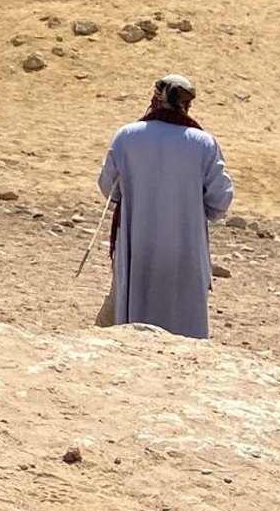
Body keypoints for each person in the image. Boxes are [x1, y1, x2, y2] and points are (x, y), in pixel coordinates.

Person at [98, 74, 233, 339]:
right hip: (186, 252)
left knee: (133, 327)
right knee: (185, 331)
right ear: (187, 105)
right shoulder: (203, 143)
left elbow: (108, 187)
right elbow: (220, 200)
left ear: (155, 99)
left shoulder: (127, 136)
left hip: (138, 249)